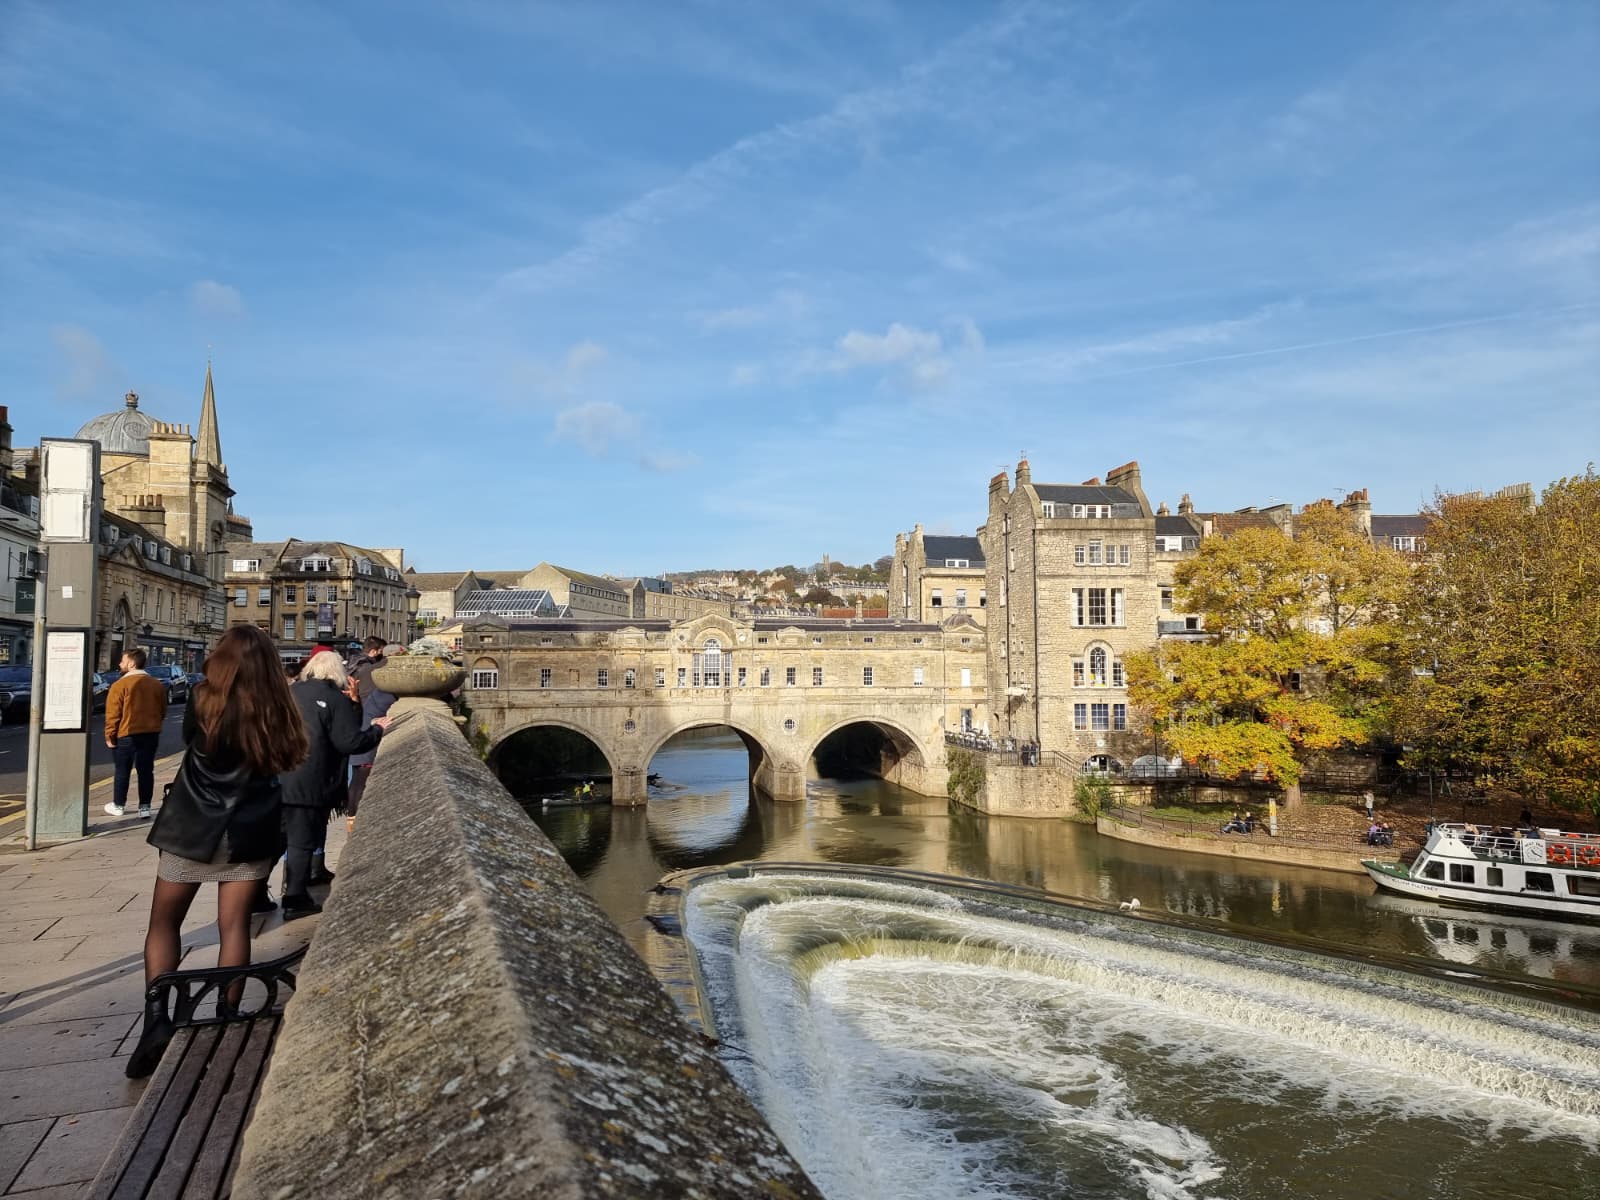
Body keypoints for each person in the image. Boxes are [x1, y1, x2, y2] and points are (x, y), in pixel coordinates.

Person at [127, 626, 308, 1078]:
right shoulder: (277, 706)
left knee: (164, 923)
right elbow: (286, 760)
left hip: (192, 826)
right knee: (234, 927)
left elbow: (193, 743)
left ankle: (157, 1020)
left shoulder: (202, 698)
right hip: (250, 830)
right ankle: (227, 1013)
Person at [278, 651, 387, 919]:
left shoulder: (290, 692)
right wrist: (377, 729)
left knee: (278, 838)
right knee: (302, 840)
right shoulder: (333, 698)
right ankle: (295, 898)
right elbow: (349, 741)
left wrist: (353, 705)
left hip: (279, 774)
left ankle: (258, 895)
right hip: (311, 778)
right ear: (338, 671)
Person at [102, 648, 169, 818]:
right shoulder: (157, 685)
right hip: (151, 734)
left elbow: (113, 714)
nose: (120, 664)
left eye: (123, 661)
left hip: (126, 734)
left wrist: (110, 735)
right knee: (146, 770)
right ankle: (145, 807)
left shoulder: (119, 685)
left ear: (131, 663)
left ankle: (118, 805)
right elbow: (162, 710)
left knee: (122, 770)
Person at [346, 644, 402, 832]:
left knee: (357, 779)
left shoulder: (367, 671)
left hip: (362, 727)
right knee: (361, 780)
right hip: (370, 733)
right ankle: (354, 823)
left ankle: (352, 822)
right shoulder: (389, 681)